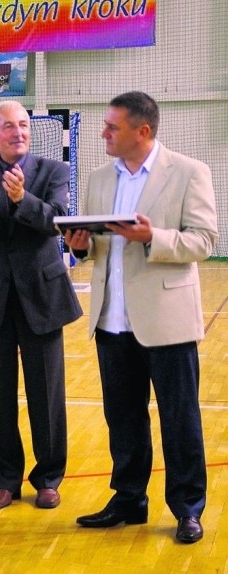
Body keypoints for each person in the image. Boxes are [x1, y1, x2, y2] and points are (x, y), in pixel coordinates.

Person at [63, 91, 218, 543]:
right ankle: (129, 498)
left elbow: (204, 241)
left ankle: (188, 507)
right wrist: (79, 244)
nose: (103, 133)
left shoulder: (189, 172)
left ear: (142, 131)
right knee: (124, 419)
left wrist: (154, 237)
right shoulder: (96, 178)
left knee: (179, 418)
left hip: (166, 320)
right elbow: (96, 246)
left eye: (112, 127)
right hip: (111, 319)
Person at [0, 101, 83, 511]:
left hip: (42, 298)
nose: (17, 132)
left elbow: (58, 222)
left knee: (47, 393)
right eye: (8, 126)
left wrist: (23, 198)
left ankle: (48, 478)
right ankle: (5, 478)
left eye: (23, 125)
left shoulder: (52, 172)